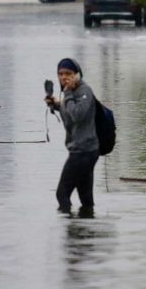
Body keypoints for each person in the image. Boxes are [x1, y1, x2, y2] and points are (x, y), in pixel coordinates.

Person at [46, 57, 99, 217]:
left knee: (62, 194)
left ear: (77, 74)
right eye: (60, 74)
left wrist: (67, 93)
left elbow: (77, 114)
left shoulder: (84, 91)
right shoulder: (74, 93)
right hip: (86, 151)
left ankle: (71, 233)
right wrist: (55, 104)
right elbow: (71, 108)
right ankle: (86, 235)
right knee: (86, 198)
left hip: (82, 152)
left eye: (68, 73)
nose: (64, 77)